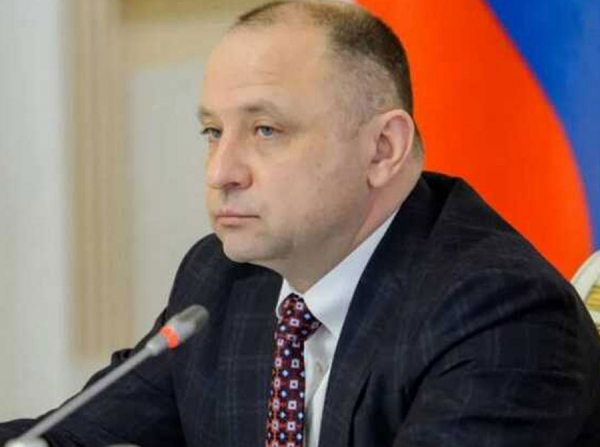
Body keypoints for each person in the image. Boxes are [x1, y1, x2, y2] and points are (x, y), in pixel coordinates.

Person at [2, 1, 599, 446]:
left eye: (266, 130)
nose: (221, 172)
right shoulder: (223, 280)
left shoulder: (498, 312)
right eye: (212, 131)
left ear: (382, 149)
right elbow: (67, 434)